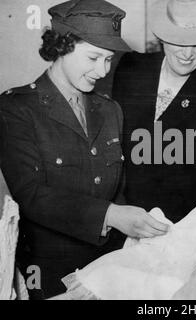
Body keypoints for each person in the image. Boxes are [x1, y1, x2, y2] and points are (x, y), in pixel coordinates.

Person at [0, 0, 169, 299]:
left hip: (109, 266)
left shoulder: (110, 110)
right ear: (62, 46)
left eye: (108, 59)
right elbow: (31, 194)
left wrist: (133, 234)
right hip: (47, 272)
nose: (103, 71)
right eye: (93, 57)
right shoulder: (16, 109)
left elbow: (118, 190)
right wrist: (111, 215)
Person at [112, 0, 196, 223]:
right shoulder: (131, 68)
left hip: (177, 228)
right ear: (162, 35)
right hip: (120, 218)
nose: (188, 54)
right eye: (179, 41)